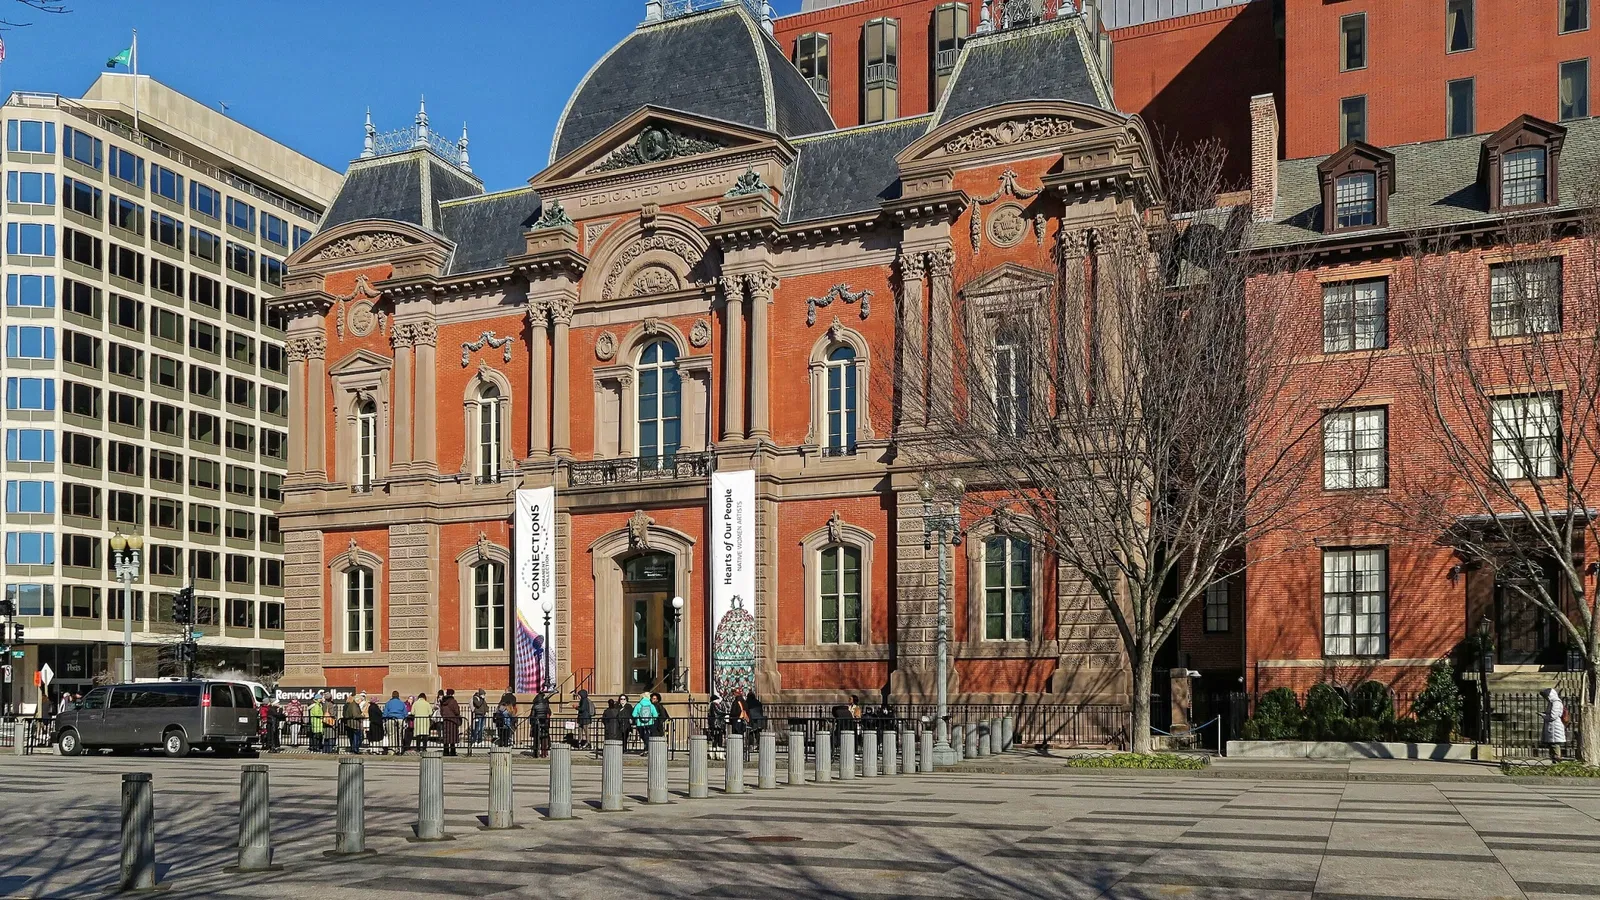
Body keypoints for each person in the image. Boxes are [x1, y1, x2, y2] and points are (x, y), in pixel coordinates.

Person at [1544, 687, 1568, 761]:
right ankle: (1554, 759)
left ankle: (1557, 759)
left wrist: (1544, 716)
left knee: (1555, 743)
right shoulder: (1552, 702)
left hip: (1555, 726)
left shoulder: (1556, 702)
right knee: (1552, 744)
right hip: (1552, 726)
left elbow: (1553, 716)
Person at [440, 689, 463, 757]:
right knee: (452, 737)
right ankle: (452, 751)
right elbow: (457, 712)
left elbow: (441, 712)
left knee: (446, 736)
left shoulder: (443, 702)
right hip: (453, 721)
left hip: (446, 720)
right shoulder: (453, 701)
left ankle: (446, 751)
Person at [531, 690, 552, 758]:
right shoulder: (546, 706)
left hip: (536, 724)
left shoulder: (535, 706)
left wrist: (532, 723)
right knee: (544, 739)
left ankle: (536, 753)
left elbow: (532, 715)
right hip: (545, 724)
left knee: (536, 739)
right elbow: (549, 713)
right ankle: (544, 753)